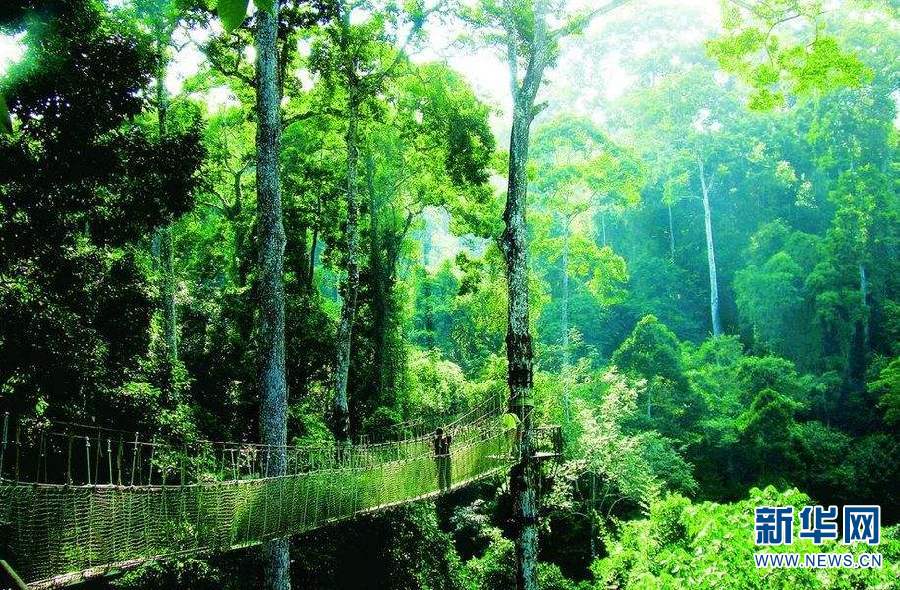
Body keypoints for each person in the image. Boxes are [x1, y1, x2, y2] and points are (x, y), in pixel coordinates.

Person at [432, 427, 452, 492]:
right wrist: (446, 432)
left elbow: (432, 445)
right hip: (447, 457)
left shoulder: (435, 440)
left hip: (439, 458)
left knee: (441, 473)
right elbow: (450, 437)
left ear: (436, 434)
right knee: (447, 472)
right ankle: (449, 487)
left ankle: (442, 489)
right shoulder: (447, 439)